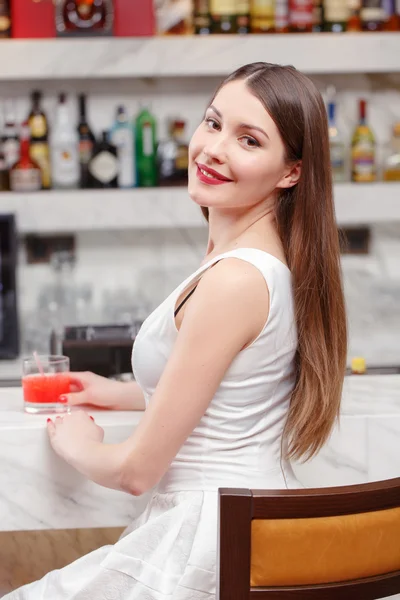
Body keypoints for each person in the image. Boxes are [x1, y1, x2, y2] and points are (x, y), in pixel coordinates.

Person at [6, 62, 347, 600]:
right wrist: (117, 392)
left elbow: (136, 470)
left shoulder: (235, 280)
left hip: (210, 539)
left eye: (249, 140)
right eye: (213, 123)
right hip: (239, 525)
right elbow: (231, 393)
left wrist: (77, 443)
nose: (213, 148)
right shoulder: (250, 261)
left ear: (291, 172)